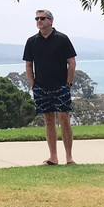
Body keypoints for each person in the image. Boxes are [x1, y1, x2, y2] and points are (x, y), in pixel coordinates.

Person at [23, 9, 77, 165]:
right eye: (37, 18)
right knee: (48, 120)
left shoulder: (62, 39)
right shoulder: (32, 41)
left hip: (60, 86)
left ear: (50, 21)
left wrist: (69, 83)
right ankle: (53, 157)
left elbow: (71, 62)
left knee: (64, 118)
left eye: (42, 18)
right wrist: (32, 84)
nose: (39, 21)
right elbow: (28, 64)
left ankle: (69, 157)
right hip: (41, 87)